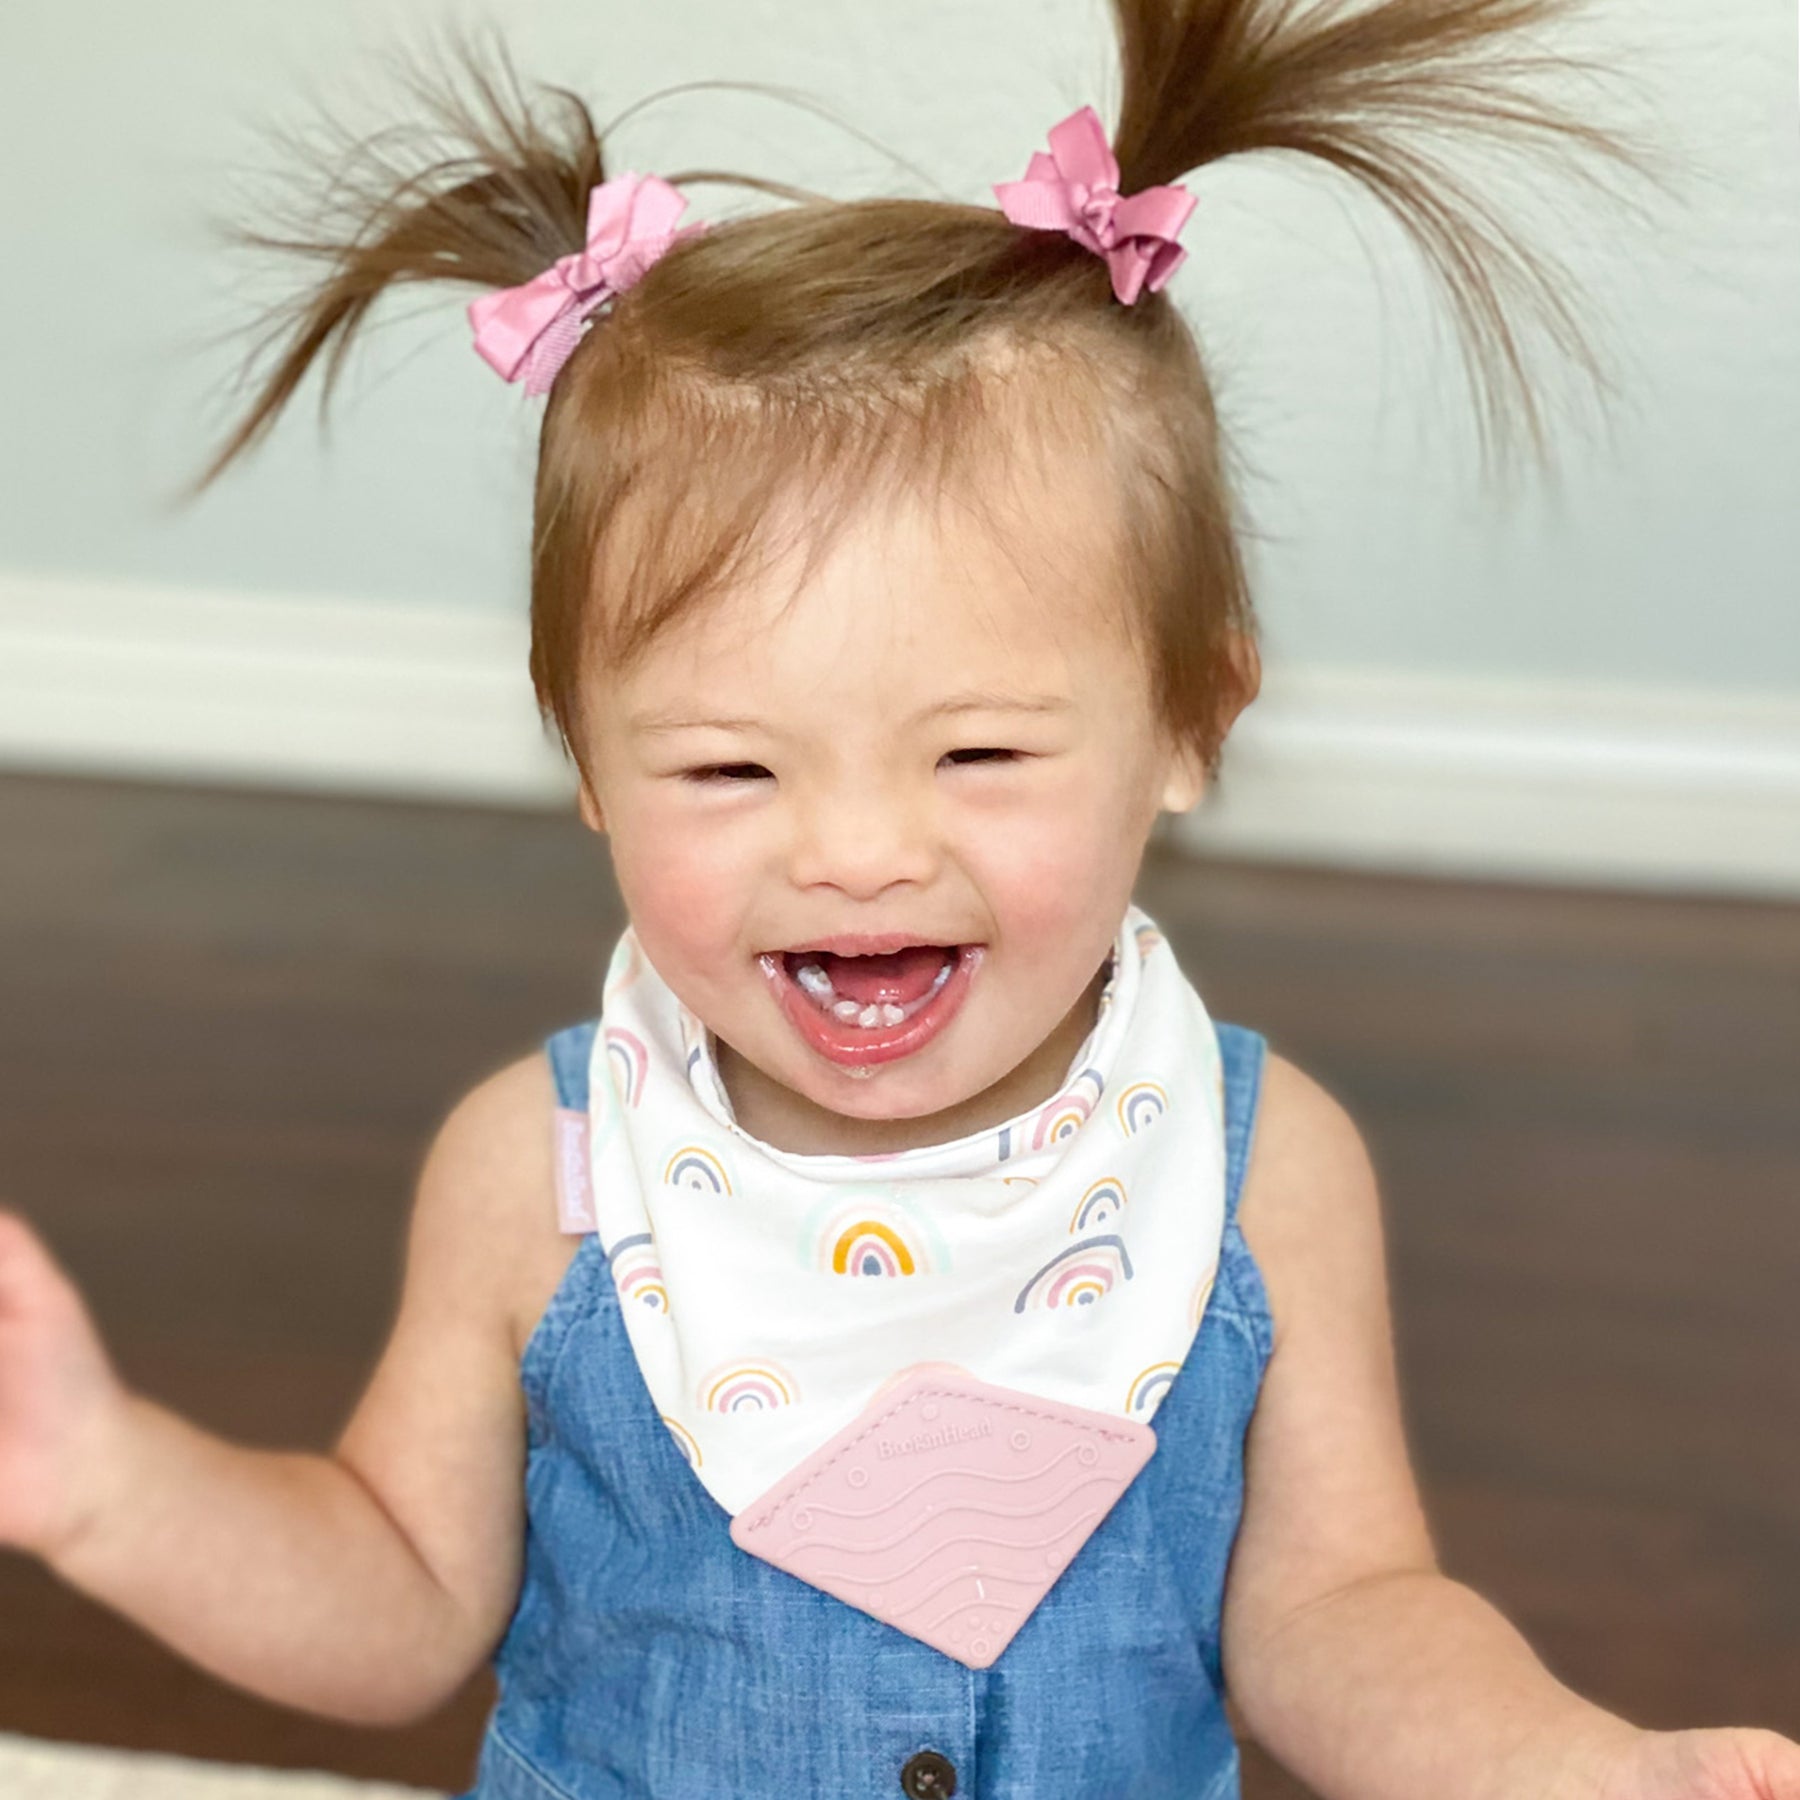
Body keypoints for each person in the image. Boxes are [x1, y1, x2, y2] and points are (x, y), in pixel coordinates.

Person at [1, 1, 1795, 1795]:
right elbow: (392, 1597)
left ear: (1192, 723)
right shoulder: (541, 1178)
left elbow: (1342, 1611)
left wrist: (1576, 1765)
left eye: (978, 758)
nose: (856, 853)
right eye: (728, 769)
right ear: (588, 762)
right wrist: (105, 1480)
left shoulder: (1255, 1166)